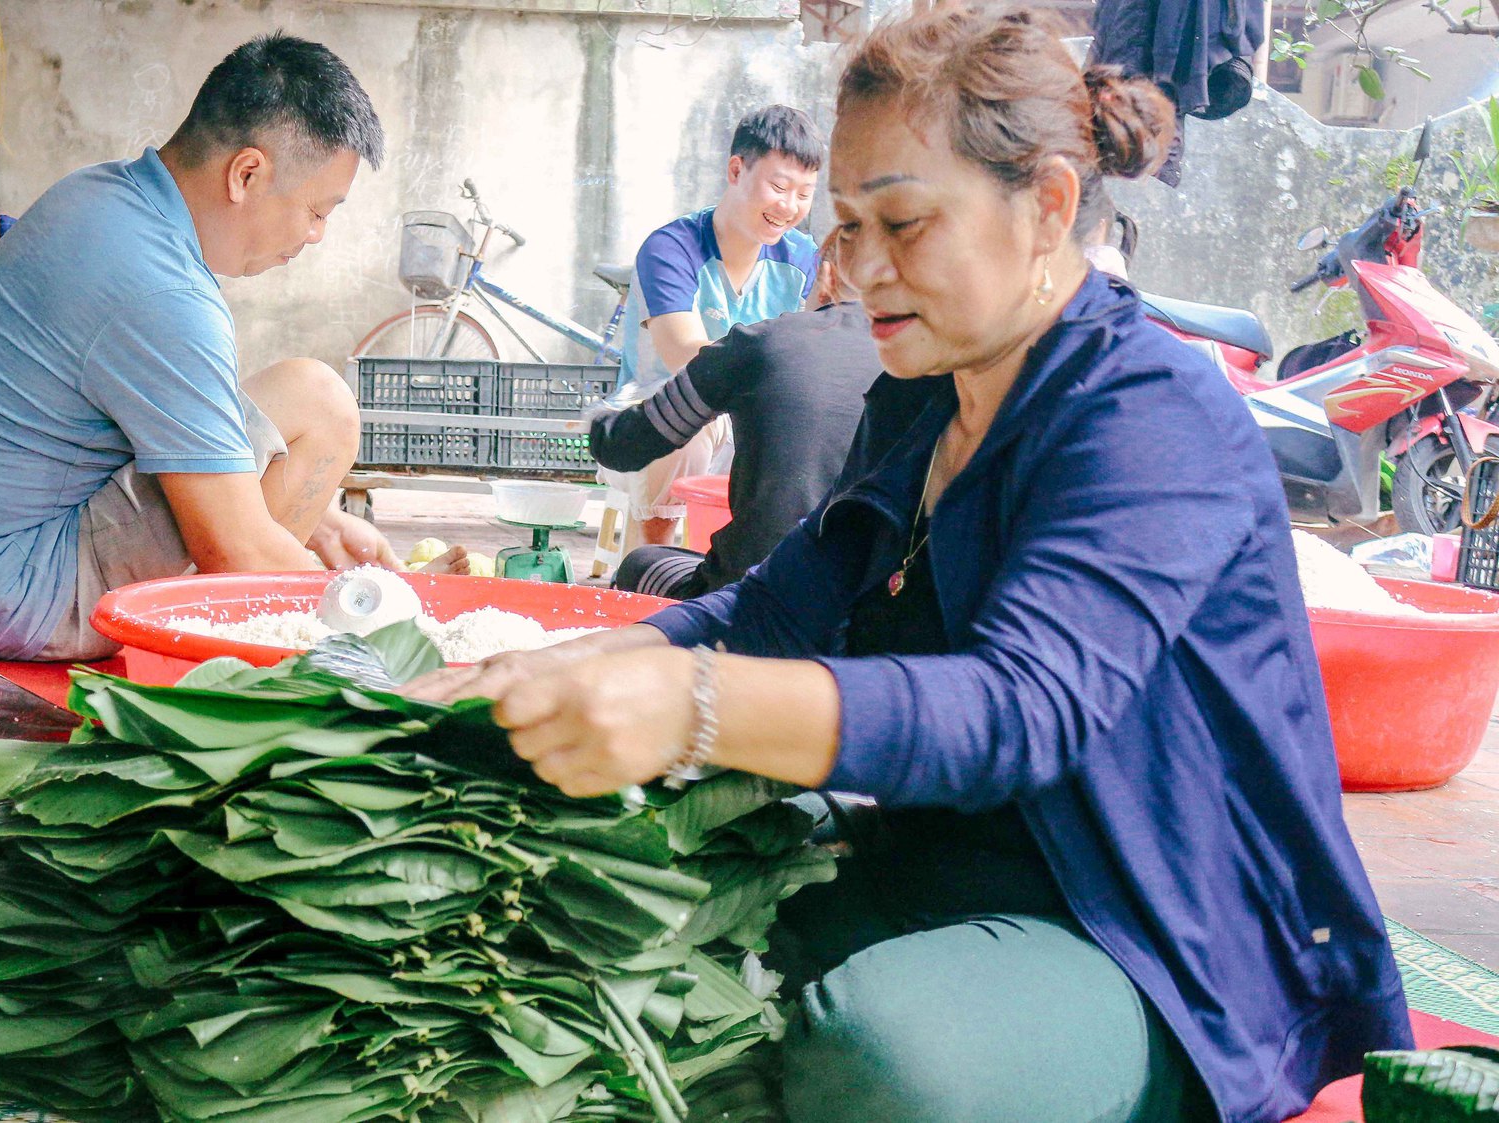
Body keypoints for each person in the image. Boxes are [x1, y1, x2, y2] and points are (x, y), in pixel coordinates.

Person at [415, 9, 1410, 1122]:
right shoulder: (921, 398)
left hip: (1147, 935)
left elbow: (1018, 708)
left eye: (903, 223)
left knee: (877, 1053)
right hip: (938, 864)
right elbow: (773, 610)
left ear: (1046, 205)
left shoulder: (1146, 414)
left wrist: (688, 705)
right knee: (584, 894)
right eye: (846, 226)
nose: (858, 269)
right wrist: (569, 658)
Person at [0, 35, 459, 663]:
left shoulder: (105, 200)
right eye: (315, 210)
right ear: (246, 173)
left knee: (299, 411)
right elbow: (238, 550)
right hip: (18, 600)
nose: (315, 235)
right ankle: (262, 648)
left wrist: (327, 526)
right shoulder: (161, 290)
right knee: (319, 403)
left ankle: (279, 614)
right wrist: (397, 619)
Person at [592, 237, 877, 600]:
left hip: (753, 595)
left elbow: (625, 446)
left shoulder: (760, 343)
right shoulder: (931, 367)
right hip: (870, 604)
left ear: (826, 275)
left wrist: (594, 422)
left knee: (641, 564)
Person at [607, 105, 822, 548]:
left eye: (805, 194)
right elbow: (684, 356)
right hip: (651, 424)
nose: (790, 207)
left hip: (751, 418)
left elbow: (817, 356)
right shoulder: (671, 249)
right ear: (736, 169)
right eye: (779, 187)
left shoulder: (802, 259)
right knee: (691, 422)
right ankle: (652, 561)